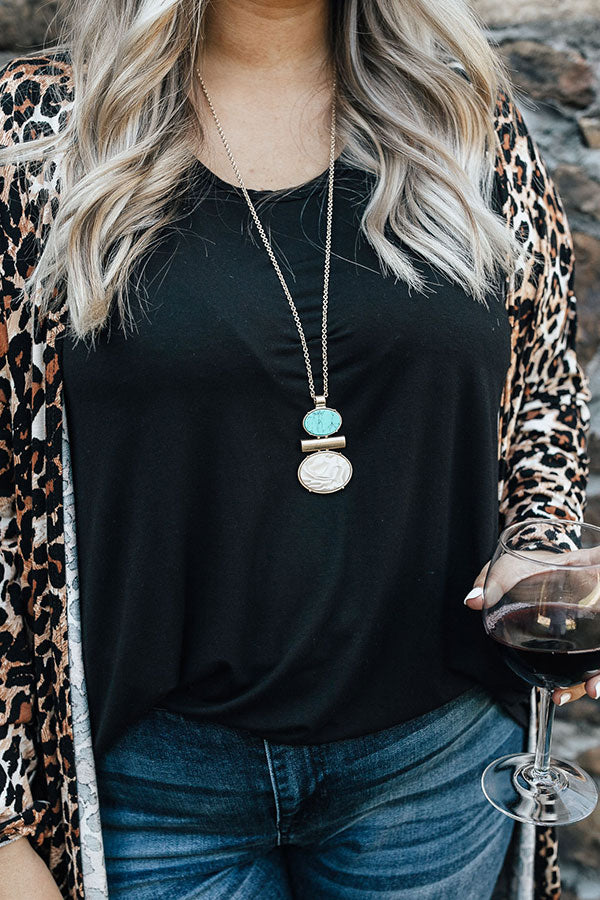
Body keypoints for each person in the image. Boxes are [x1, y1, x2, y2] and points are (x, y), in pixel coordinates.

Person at [0, 0, 594, 897]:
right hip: (151, 789)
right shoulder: (39, 127)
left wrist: (539, 545)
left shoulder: (462, 112)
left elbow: (543, 384)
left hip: (433, 774)